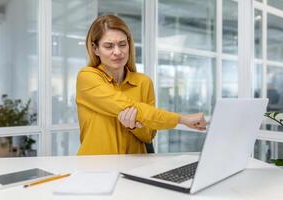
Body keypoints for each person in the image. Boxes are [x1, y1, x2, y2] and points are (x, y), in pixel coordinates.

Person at [76, 15, 206, 155]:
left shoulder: (143, 82)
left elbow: (149, 136)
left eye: (122, 44)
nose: (118, 52)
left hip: (135, 167)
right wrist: (182, 119)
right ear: (95, 48)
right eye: (108, 46)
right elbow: (128, 106)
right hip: (94, 168)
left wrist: (134, 126)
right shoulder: (87, 77)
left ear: (129, 44)